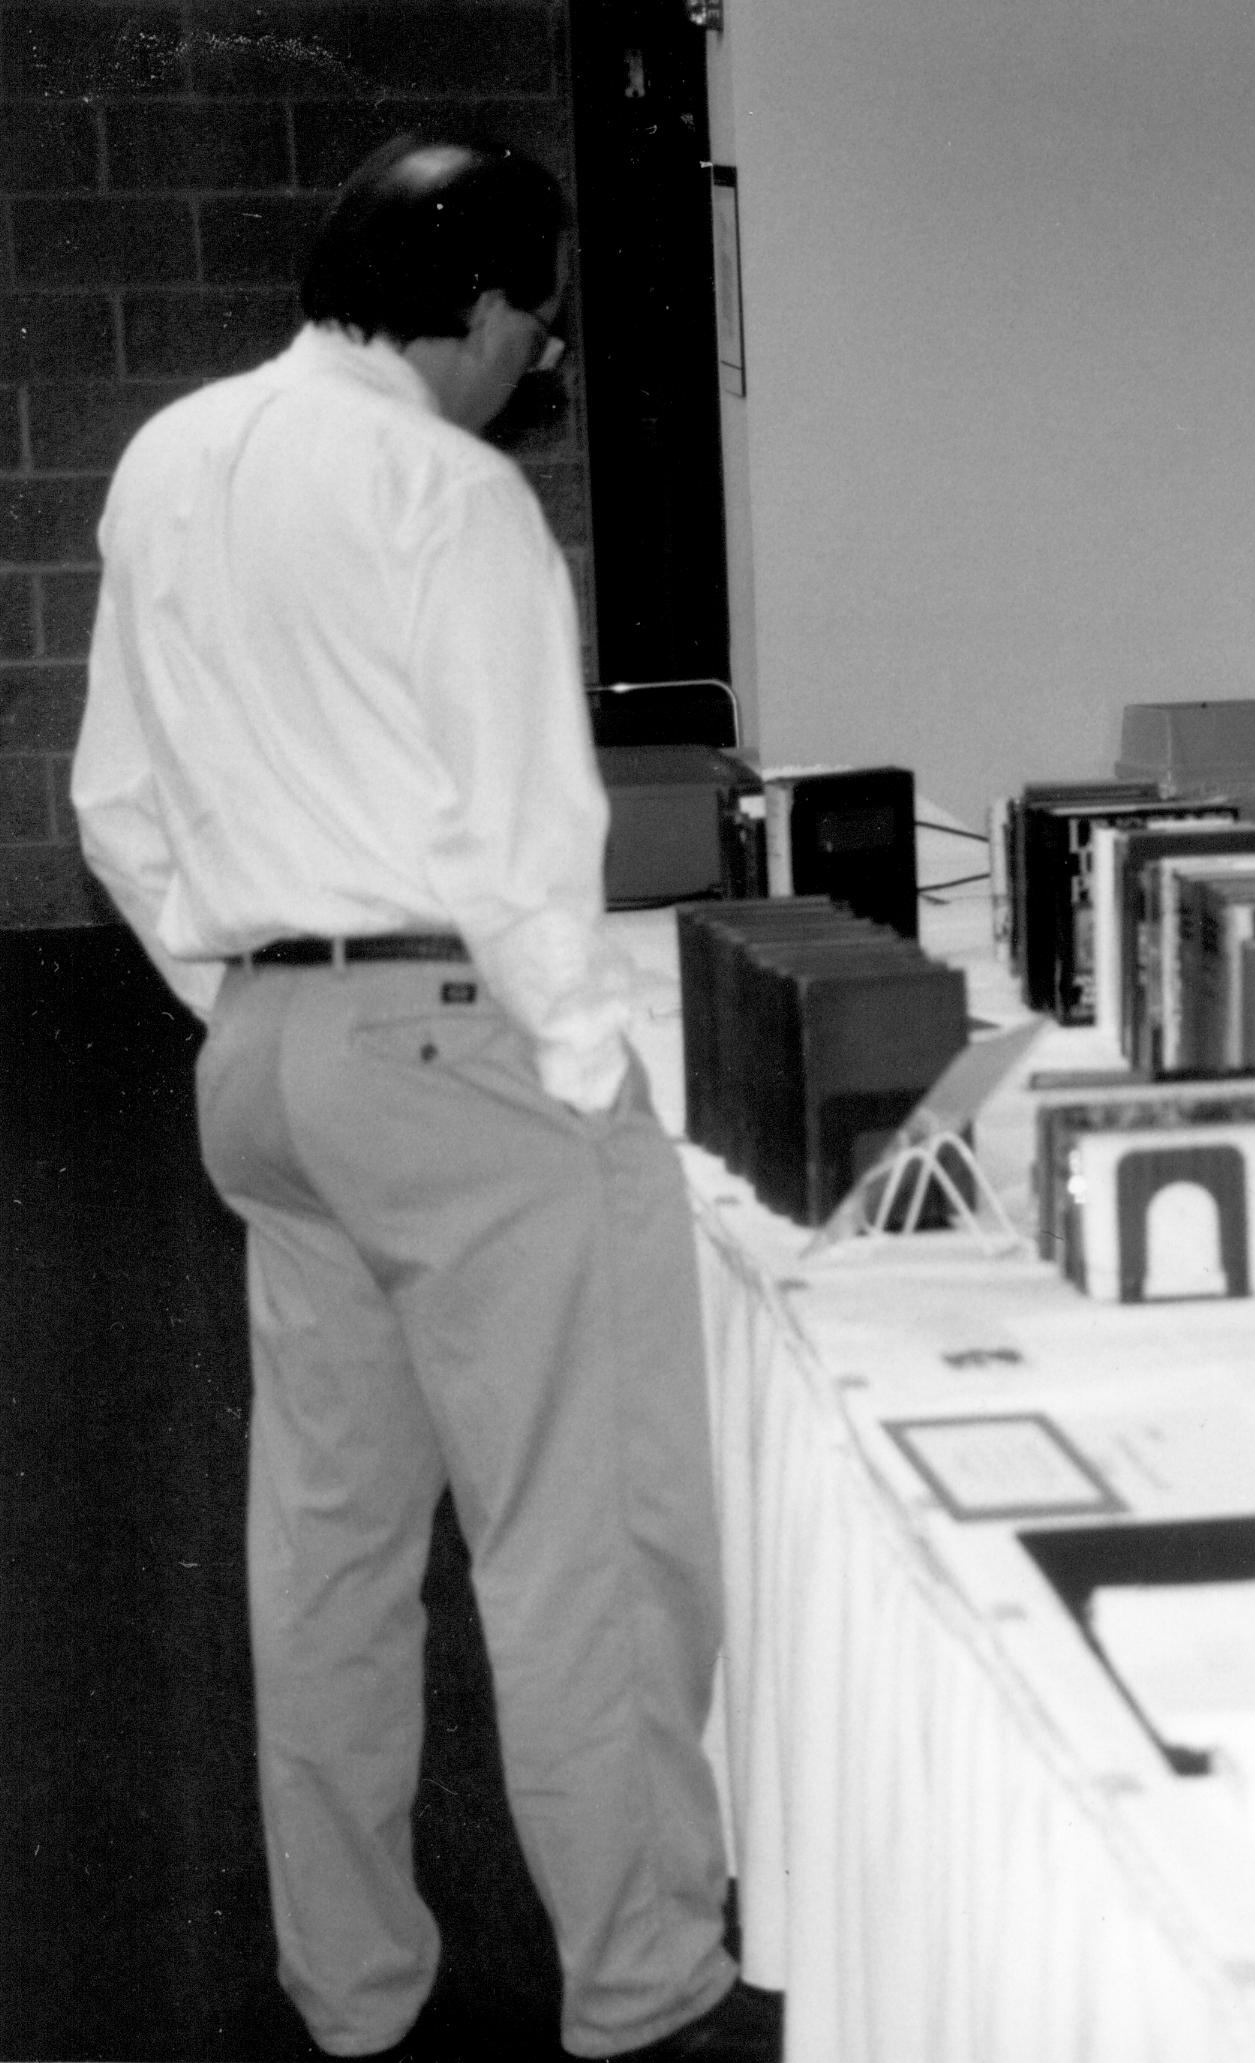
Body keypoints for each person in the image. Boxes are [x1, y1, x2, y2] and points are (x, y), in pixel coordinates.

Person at [70, 136, 776, 2063]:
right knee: (588, 1542)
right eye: (534, 340)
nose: (524, 379)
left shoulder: (166, 457)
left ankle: (351, 1987)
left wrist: (249, 1001)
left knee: (328, 1546)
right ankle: (645, 1982)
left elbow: (116, 809)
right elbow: (523, 835)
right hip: (460, 1057)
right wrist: (590, 1070)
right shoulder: (448, 497)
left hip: (270, 1072)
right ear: (474, 304)